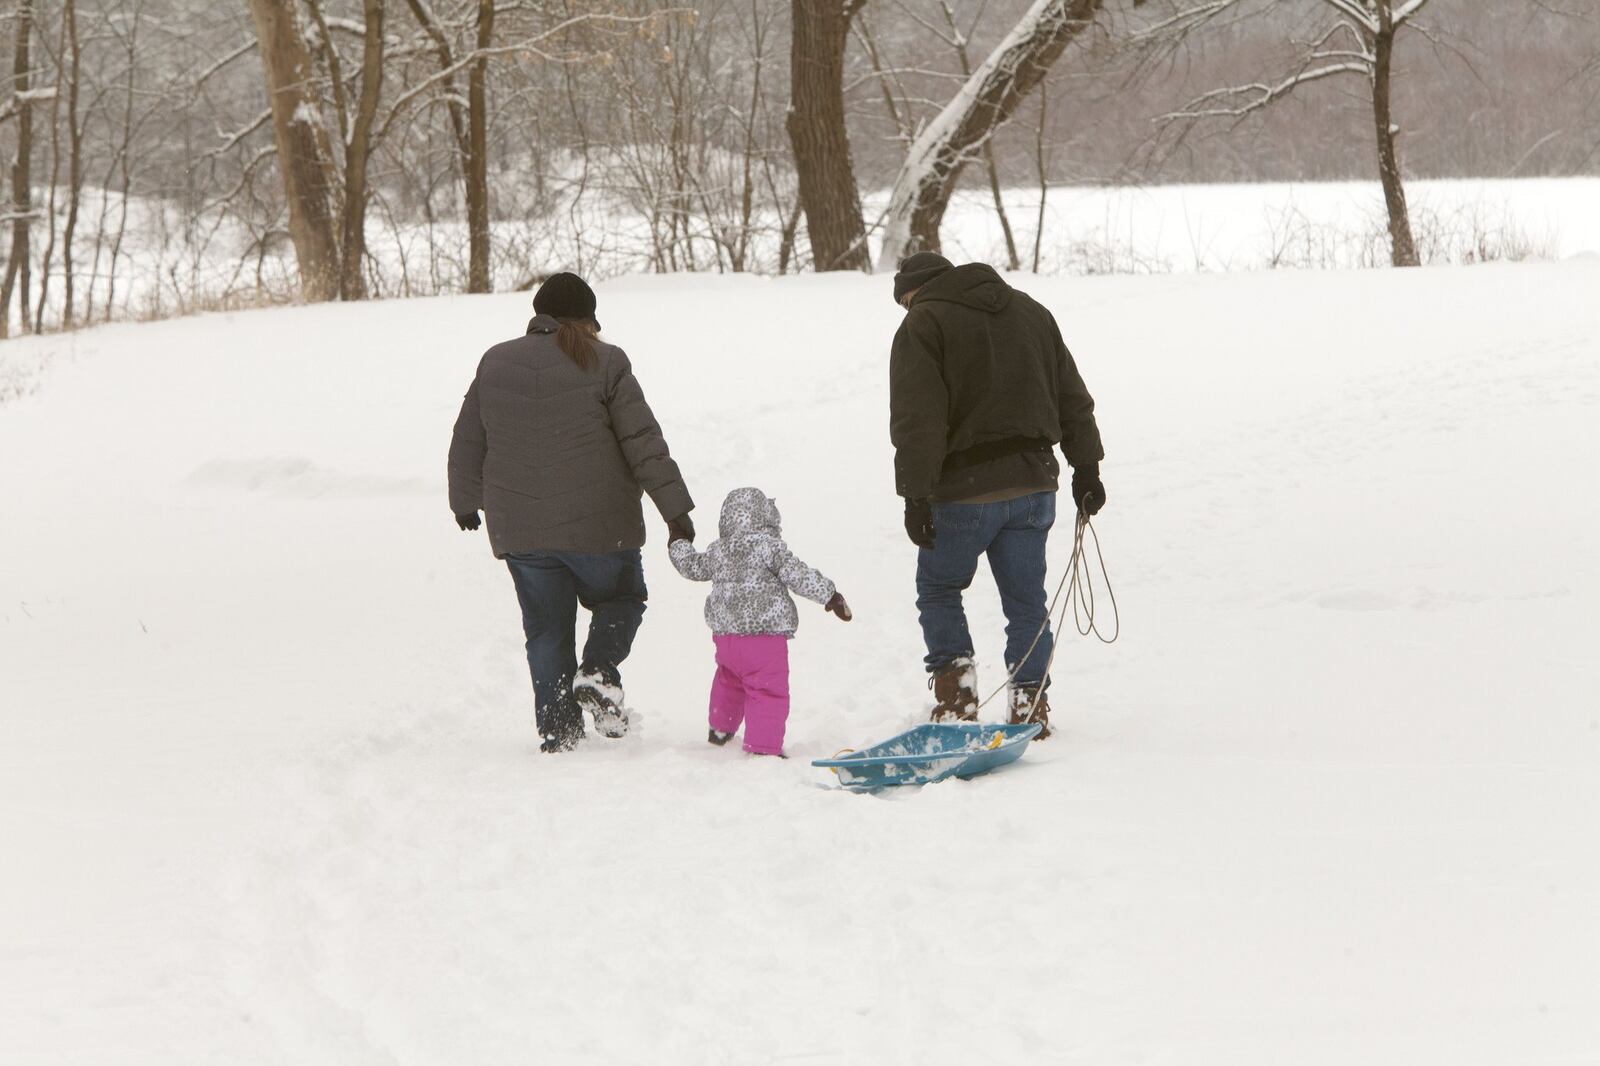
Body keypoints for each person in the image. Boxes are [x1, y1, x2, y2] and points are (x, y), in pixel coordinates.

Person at [448, 272, 695, 753]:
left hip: (521, 530)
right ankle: (599, 670)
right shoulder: (607, 361)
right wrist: (675, 512)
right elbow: (644, 444)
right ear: (586, 319)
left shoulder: (495, 362)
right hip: (600, 528)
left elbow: (467, 439)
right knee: (621, 599)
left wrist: (464, 501)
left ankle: (559, 732)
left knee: (546, 630)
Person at [887, 252, 1105, 739]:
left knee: (940, 590)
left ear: (914, 292)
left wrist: (915, 496)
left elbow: (916, 419)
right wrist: (1086, 467)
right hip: (1034, 487)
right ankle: (1031, 706)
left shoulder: (923, 325)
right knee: (1026, 601)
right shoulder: (1030, 311)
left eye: (905, 302)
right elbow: (1072, 396)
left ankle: (957, 702)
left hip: (961, 492)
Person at [667, 487, 852, 757]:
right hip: (764, 638)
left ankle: (720, 729)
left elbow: (691, 566)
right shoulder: (769, 547)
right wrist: (830, 595)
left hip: (726, 638)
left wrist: (678, 541)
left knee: (729, 680)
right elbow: (797, 574)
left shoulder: (719, 551)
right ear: (767, 518)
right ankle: (763, 748)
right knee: (767, 691)